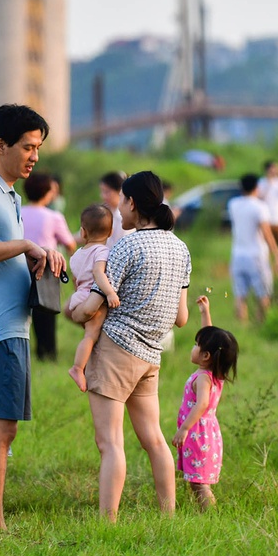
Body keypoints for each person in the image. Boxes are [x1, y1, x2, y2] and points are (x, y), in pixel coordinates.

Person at [0, 104, 66, 530]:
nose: (34, 156)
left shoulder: (8, 194)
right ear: (1, 145)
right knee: (0, 432)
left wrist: (38, 259)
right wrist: (25, 246)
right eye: (27, 146)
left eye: (38, 147)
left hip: (11, 330)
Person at [70, 171, 191, 522]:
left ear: (133, 203)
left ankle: (108, 521)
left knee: (110, 444)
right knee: (154, 439)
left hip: (115, 351)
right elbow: (182, 318)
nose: (119, 208)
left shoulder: (127, 245)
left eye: (122, 200)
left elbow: (93, 306)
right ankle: (168, 515)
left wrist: (71, 309)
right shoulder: (180, 248)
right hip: (151, 356)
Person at [173, 296, 237, 511]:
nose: (193, 348)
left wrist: (184, 429)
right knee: (196, 481)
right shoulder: (213, 373)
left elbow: (201, 404)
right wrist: (204, 312)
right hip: (206, 433)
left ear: (206, 355)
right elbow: (211, 341)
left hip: (197, 433)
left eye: (196, 346)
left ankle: (210, 515)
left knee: (200, 484)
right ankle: (204, 512)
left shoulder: (203, 378)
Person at [22, 172, 77, 361]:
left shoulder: (17, 212)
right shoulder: (53, 217)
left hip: (18, 266)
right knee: (45, 316)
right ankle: (46, 354)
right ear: (46, 193)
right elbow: (70, 243)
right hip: (45, 270)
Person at [65, 204, 120, 392]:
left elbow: (75, 279)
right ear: (111, 231)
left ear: (82, 232)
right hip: (91, 297)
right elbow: (98, 273)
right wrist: (110, 292)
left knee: (89, 335)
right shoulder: (102, 252)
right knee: (91, 335)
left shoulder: (77, 255)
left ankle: (84, 363)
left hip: (78, 296)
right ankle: (77, 368)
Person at [227, 173, 278, 324]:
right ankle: (261, 322)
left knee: (240, 295)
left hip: (237, 255)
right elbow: (267, 233)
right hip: (256, 256)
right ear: (256, 187)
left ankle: (242, 326)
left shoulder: (233, 204)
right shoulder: (260, 207)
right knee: (263, 294)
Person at [100, 171, 131, 248]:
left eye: (107, 192)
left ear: (120, 191)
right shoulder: (103, 210)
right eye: (102, 191)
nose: (103, 196)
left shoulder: (122, 216)